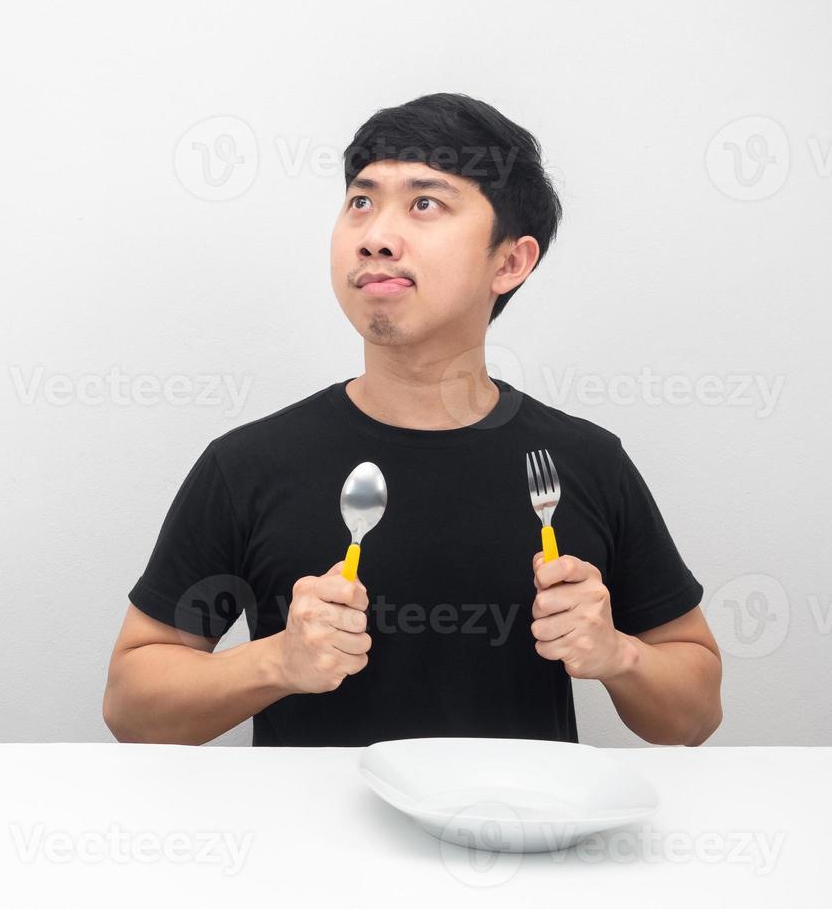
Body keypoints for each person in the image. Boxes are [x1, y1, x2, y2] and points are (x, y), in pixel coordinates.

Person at [102, 92, 722, 747]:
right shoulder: (248, 465)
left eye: (424, 204)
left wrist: (617, 654)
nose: (373, 237)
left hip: (516, 840)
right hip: (312, 847)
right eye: (360, 202)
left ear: (509, 261)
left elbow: (693, 714)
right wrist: (275, 662)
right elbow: (130, 707)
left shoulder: (585, 464)